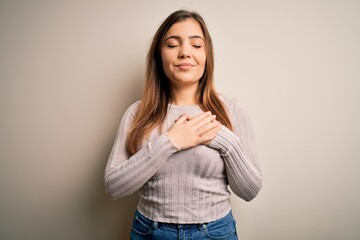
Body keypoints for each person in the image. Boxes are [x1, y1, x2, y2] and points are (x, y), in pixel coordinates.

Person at [104, 10, 263, 240]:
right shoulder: (137, 113)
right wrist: (170, 141)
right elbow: (114, 187)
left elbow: (249, 191)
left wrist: (223, 139)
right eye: (172, 44)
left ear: (207, 55)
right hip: (150, 232)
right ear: (159, 55)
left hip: (215, 233)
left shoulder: (232, 110)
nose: (185, 53)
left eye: (196, 45)